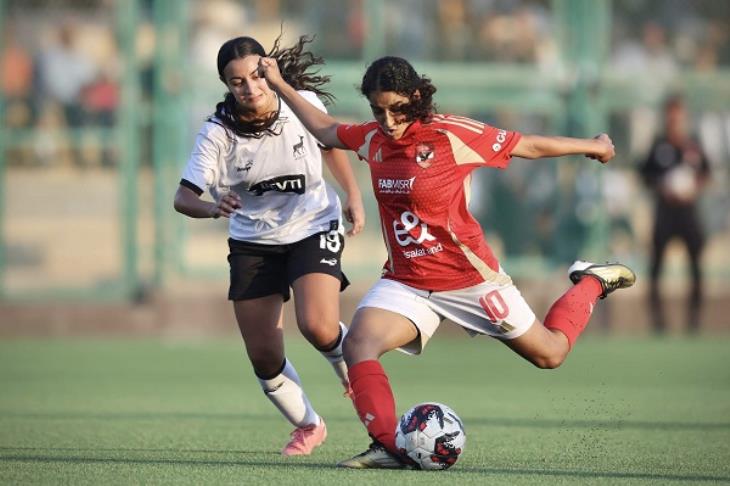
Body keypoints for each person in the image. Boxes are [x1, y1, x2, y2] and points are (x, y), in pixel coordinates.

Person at [259, 55, 636, 469]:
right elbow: (325, 129)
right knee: (359, 344)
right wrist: (278, 83)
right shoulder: (373, 140)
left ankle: (590, 281)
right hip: (407, 282)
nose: (387, 120)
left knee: (550, 354)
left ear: (416, 98)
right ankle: (387, 445)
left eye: (396, 108)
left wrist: (594, 146)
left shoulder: (451, 133)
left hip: (470, 279)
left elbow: (527, 145)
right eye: (377, 110)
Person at [173, 35, 365, 456]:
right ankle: (310, 425)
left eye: (257, 76)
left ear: (269, 71)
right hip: (253, 241)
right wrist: (211, 209)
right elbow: (183, 197)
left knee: (317, 325)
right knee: (263, 356)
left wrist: (352, 193)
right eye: (237, 81)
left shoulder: (301, 102)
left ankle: (351, 370)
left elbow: (330, 142)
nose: (250, 88)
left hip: (313, 224)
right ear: (227, 85)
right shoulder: (217, 133)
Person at [640, 95, 711, 334]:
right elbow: (645, 175)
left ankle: (694, 321)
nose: (675, 120)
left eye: (679, 115)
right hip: (665, 213)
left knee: (696, 265)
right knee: (657, 266)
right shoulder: (658, 145)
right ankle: (659, 322)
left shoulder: (694, 144)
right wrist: (663, 187)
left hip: (688, 213)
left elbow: (706, 174)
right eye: (671, 115)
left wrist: (694, 187)